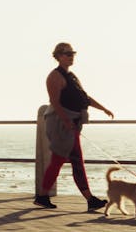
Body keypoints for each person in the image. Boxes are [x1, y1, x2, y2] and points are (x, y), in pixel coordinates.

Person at [35, 42, 113, 210]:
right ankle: (87, 199)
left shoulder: (72, 76)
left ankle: (43, 196)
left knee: (66, 161)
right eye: (67, 53)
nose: (71, 57)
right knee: (64, 161)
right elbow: (55, 103)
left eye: (72, 54)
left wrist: (103, 109)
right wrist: (66, 121)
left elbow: (84, 97)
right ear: (58, 56)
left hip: (71, 125)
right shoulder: (54, 76)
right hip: (60, 125)